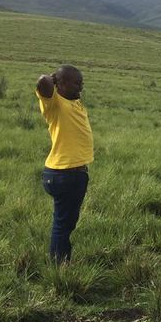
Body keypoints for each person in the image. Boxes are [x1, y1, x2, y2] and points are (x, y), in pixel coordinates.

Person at [35, 65, 93, 263]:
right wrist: (52, 78)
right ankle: (59, 267)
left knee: (65, 222)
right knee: (63, 225)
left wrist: (66, 85)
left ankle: (62, 260)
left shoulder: (74, 102)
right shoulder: (54, 104)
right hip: (65, 174)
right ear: (61, 84)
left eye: (81, 83)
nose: (80, 87)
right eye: (76, 83)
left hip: (71, 173)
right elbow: (42, 81)